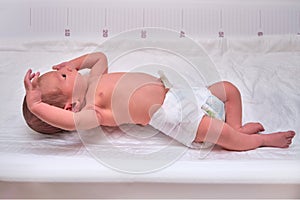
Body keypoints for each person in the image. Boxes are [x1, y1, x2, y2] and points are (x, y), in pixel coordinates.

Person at [23, 52, 295, 151]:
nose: (69, 71)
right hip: (174, 115)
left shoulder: (95, 78)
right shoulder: (94, 111)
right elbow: (71, 124)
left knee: (229, 90)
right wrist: (37, 107)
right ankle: (258, 140)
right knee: (218, 132)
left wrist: (73, 62)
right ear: (69, 106)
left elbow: (99, 57)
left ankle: (237, 128)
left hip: (179, 92)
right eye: (63, 76)